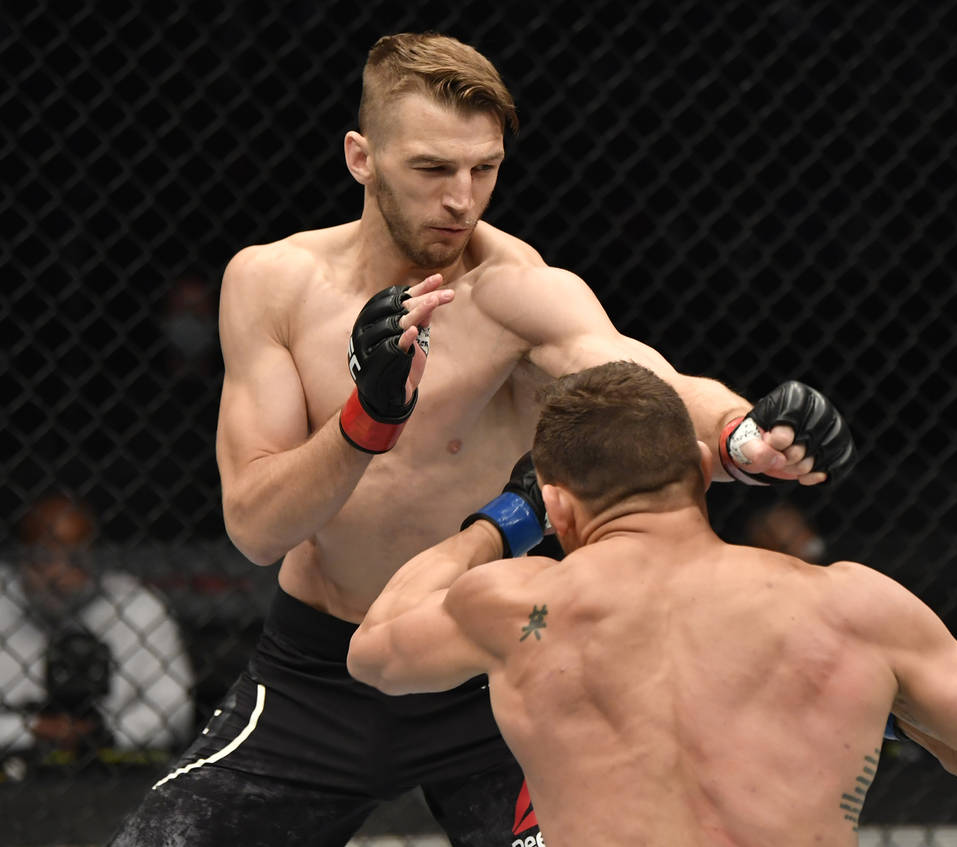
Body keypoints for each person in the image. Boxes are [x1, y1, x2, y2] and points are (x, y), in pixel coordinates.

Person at [109, 31, 855, 847]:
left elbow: (643, 375)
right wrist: (369, 420)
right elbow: (256, 527)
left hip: (500, 658)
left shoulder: (511, 289)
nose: (463, 199)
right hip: (322, 669)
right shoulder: (273, 285)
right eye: (432, 169)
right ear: (361, 157)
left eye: (485, 168)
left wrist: (744, 433)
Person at [347, 361, 957, 846]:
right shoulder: (849, 608)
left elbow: (374, 649)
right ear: (705, 469)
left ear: (561, 507)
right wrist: (887, 700)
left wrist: (505, 520)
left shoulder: (518, 607)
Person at [0, 493, 194, 763]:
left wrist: (106, 733)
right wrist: (29, 729)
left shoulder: (137, 606)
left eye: (75, 560)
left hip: (113, 766)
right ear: (20, 556)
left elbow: (175, 708)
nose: (59, 575)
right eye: (43, 558)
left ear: (96, 557)